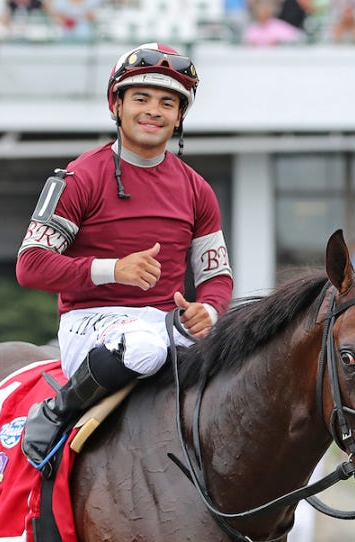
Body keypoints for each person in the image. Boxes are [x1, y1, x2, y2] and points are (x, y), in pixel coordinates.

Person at [16, 43, 234, 472]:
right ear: (116, 106)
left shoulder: (198, 190)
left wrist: (208, 310)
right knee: (144, 349)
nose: (153, 111)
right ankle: (56, 410)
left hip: (167, 323)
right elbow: (31, 265)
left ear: (179, 116)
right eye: (141, 99)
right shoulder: (79, 177)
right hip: (91, 322)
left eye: (167, 103)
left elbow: (216, 276)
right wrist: (112, 270)